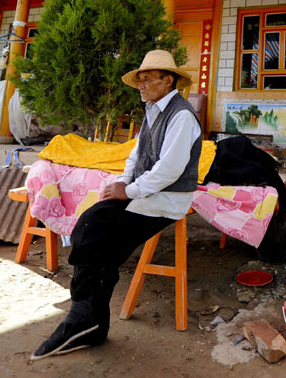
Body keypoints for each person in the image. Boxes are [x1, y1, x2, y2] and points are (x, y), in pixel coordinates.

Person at [32, 49, 201, 360]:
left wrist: (131, 190)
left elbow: (170, 169)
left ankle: (84, 316)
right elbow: (136, 155)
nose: (141, 85)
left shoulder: (181, 116)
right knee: (93, 229)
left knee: (94, 229)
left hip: (166, 200)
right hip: (144, 194)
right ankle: (88, 319)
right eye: (140, 80)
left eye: (148, 79)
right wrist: (123, 182)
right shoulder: (152, 111)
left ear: (168, 80)